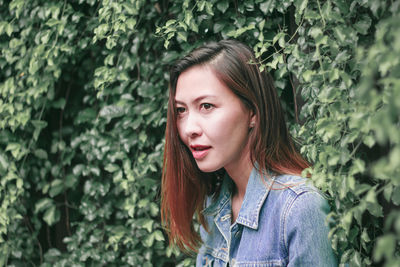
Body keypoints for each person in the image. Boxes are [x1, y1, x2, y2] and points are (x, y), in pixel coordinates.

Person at [161, 39, 338, 266]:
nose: (188, 129)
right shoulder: (213, 207)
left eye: (206, 106)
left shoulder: (299, 208)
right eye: (181, 110)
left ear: (252, 113)